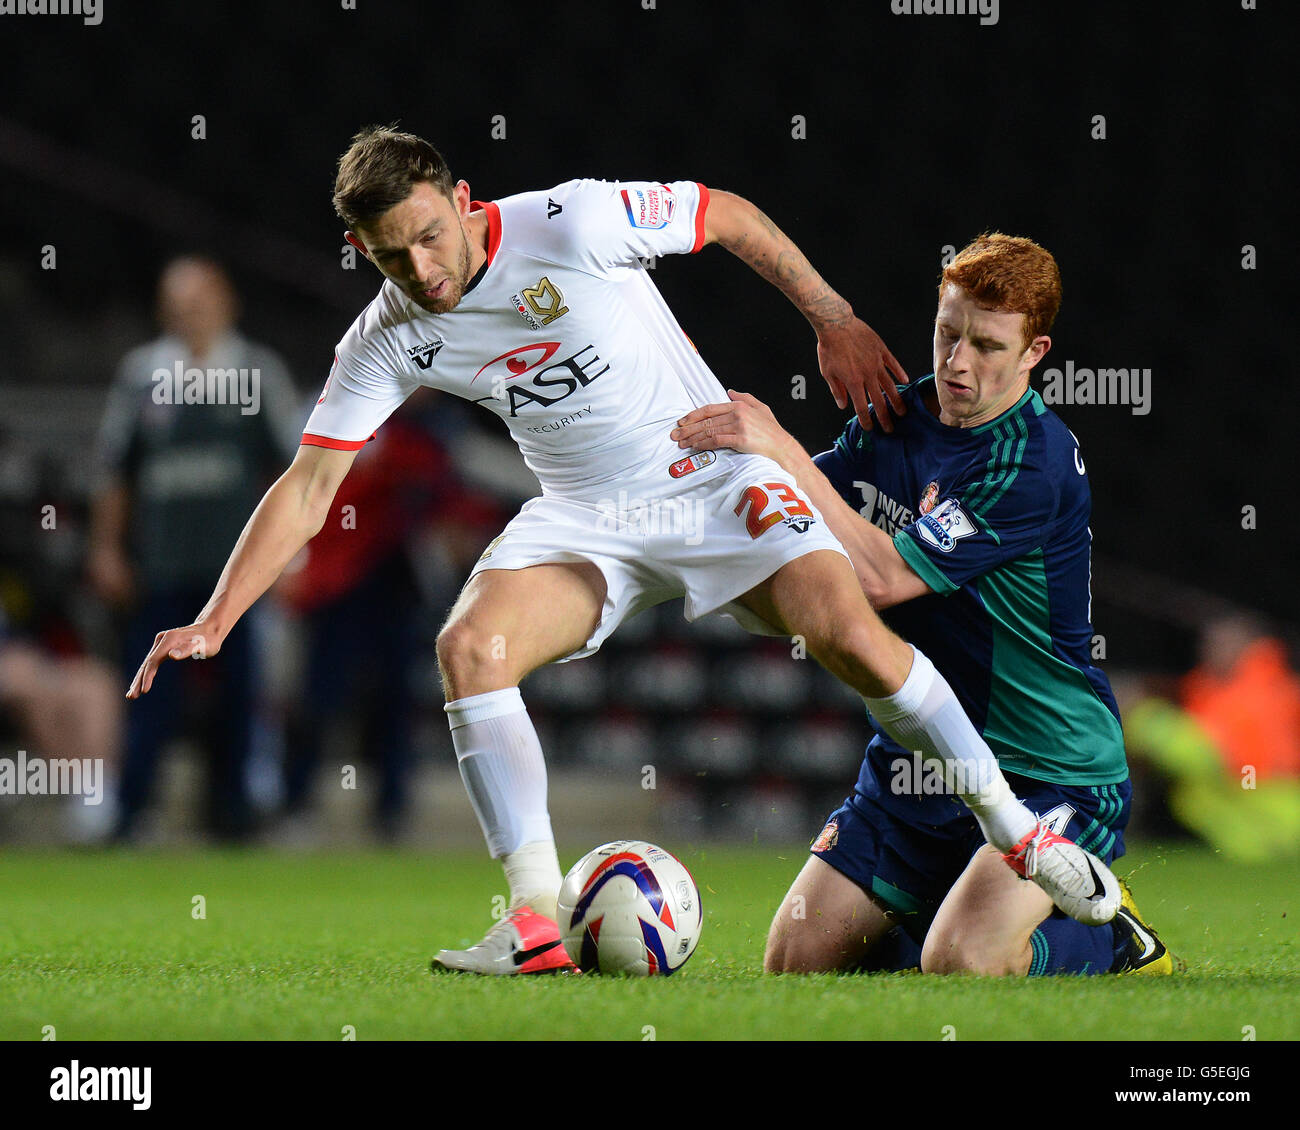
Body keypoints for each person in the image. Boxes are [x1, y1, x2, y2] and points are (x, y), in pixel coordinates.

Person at [127, 128, 1119, 974]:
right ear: (363, 249)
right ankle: (527, 918)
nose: (424, 271)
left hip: (709, 475)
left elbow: (724, 211)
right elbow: (307, 488)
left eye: (432, 235)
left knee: (846, 630)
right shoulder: (387, 334)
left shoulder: (572, 221)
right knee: (471, 647)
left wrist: (830, 316)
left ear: (463, 201)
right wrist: (216, 617)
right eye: (392, 256)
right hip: (585, 513)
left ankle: (1016, 830)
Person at [673, 233, 1172, 976]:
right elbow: (799, 509)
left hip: (1046, 771)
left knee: (968, 963)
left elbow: (878, 578)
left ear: (1035, 352)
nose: (958, 362)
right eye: (948, 332)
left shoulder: (1030, 460)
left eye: (988, 346)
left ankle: (1110, 936)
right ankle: (951, 912)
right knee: (797, 960)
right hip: (921, 763)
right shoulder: (899, 418)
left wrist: (775, 444)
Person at [89, 256, 300, 842]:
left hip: (235, 578)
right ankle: (131, 812)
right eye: (178, 305)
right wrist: (107, 549)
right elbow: (115, 472)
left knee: (241, 694)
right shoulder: (141, 374)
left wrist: (289, 557)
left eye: (200, 302)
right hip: (160, 566)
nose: (190, 314)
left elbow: (294, 472)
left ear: (226, 302)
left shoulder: (258, 372)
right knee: (148, 691)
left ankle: (233, 816)